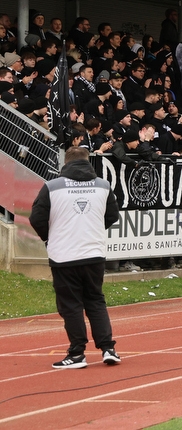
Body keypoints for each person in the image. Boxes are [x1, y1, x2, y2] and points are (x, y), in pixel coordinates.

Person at [28, 146, 122, 369]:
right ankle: (108, 348)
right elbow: (112, 216)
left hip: (64, 255)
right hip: (94, 253)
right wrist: (92, 230)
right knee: (95, 300)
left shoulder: (52, 187)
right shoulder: (103, 185)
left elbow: (36, 217)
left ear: (65, 162)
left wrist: (48, 238)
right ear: (87, 161)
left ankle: (77, 353)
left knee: (71, 305)